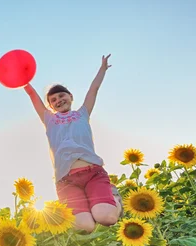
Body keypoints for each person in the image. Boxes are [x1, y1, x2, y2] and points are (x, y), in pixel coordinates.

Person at [22, 55, 122, 233]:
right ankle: (95, 206)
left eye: (62, 96)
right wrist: (23, 81)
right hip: (66, 181)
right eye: (53, 100)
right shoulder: (49, 120)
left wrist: (102, 69)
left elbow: (94, 90)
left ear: (70, 96)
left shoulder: (82, 114)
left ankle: (114, 197)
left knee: (106, 218)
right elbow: (33, 97)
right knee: (85, 227)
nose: (58, 100)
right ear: (51, 106)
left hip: (93, 173)